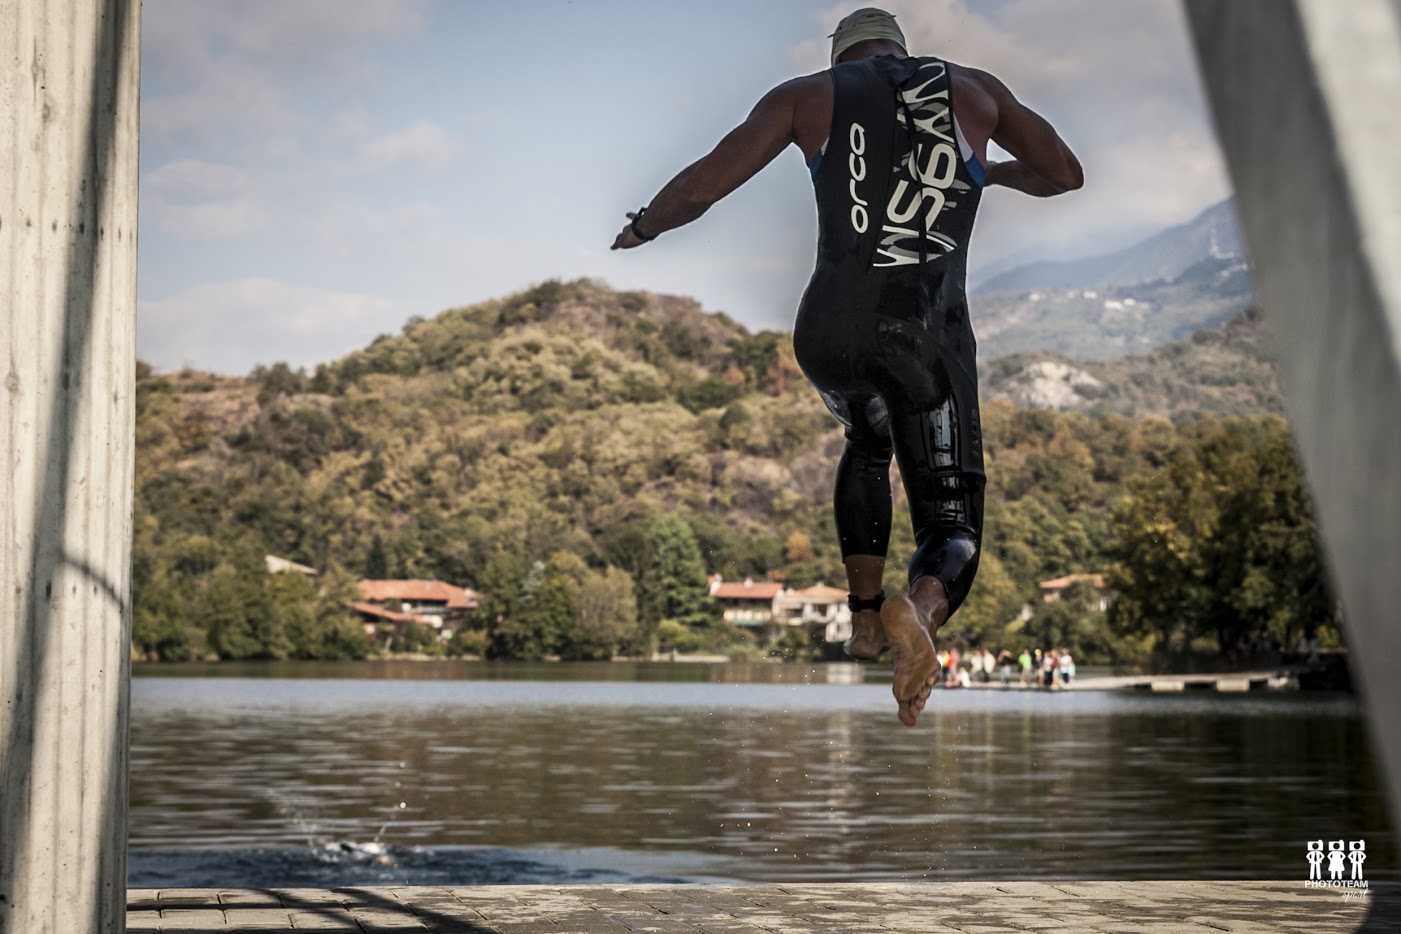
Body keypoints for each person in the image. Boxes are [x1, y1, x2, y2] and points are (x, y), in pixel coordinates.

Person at [612, 8, 1082, 725]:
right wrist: (985, 173)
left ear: (842, 56)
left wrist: (643, 225)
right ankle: (916, 616)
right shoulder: (974, 90)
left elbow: (703, 186)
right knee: (951, 521)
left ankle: (864, 620)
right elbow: (1064, 174)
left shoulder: (807, 95)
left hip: (826, 330)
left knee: (866, 440)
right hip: (925, 334)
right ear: (901, 47)